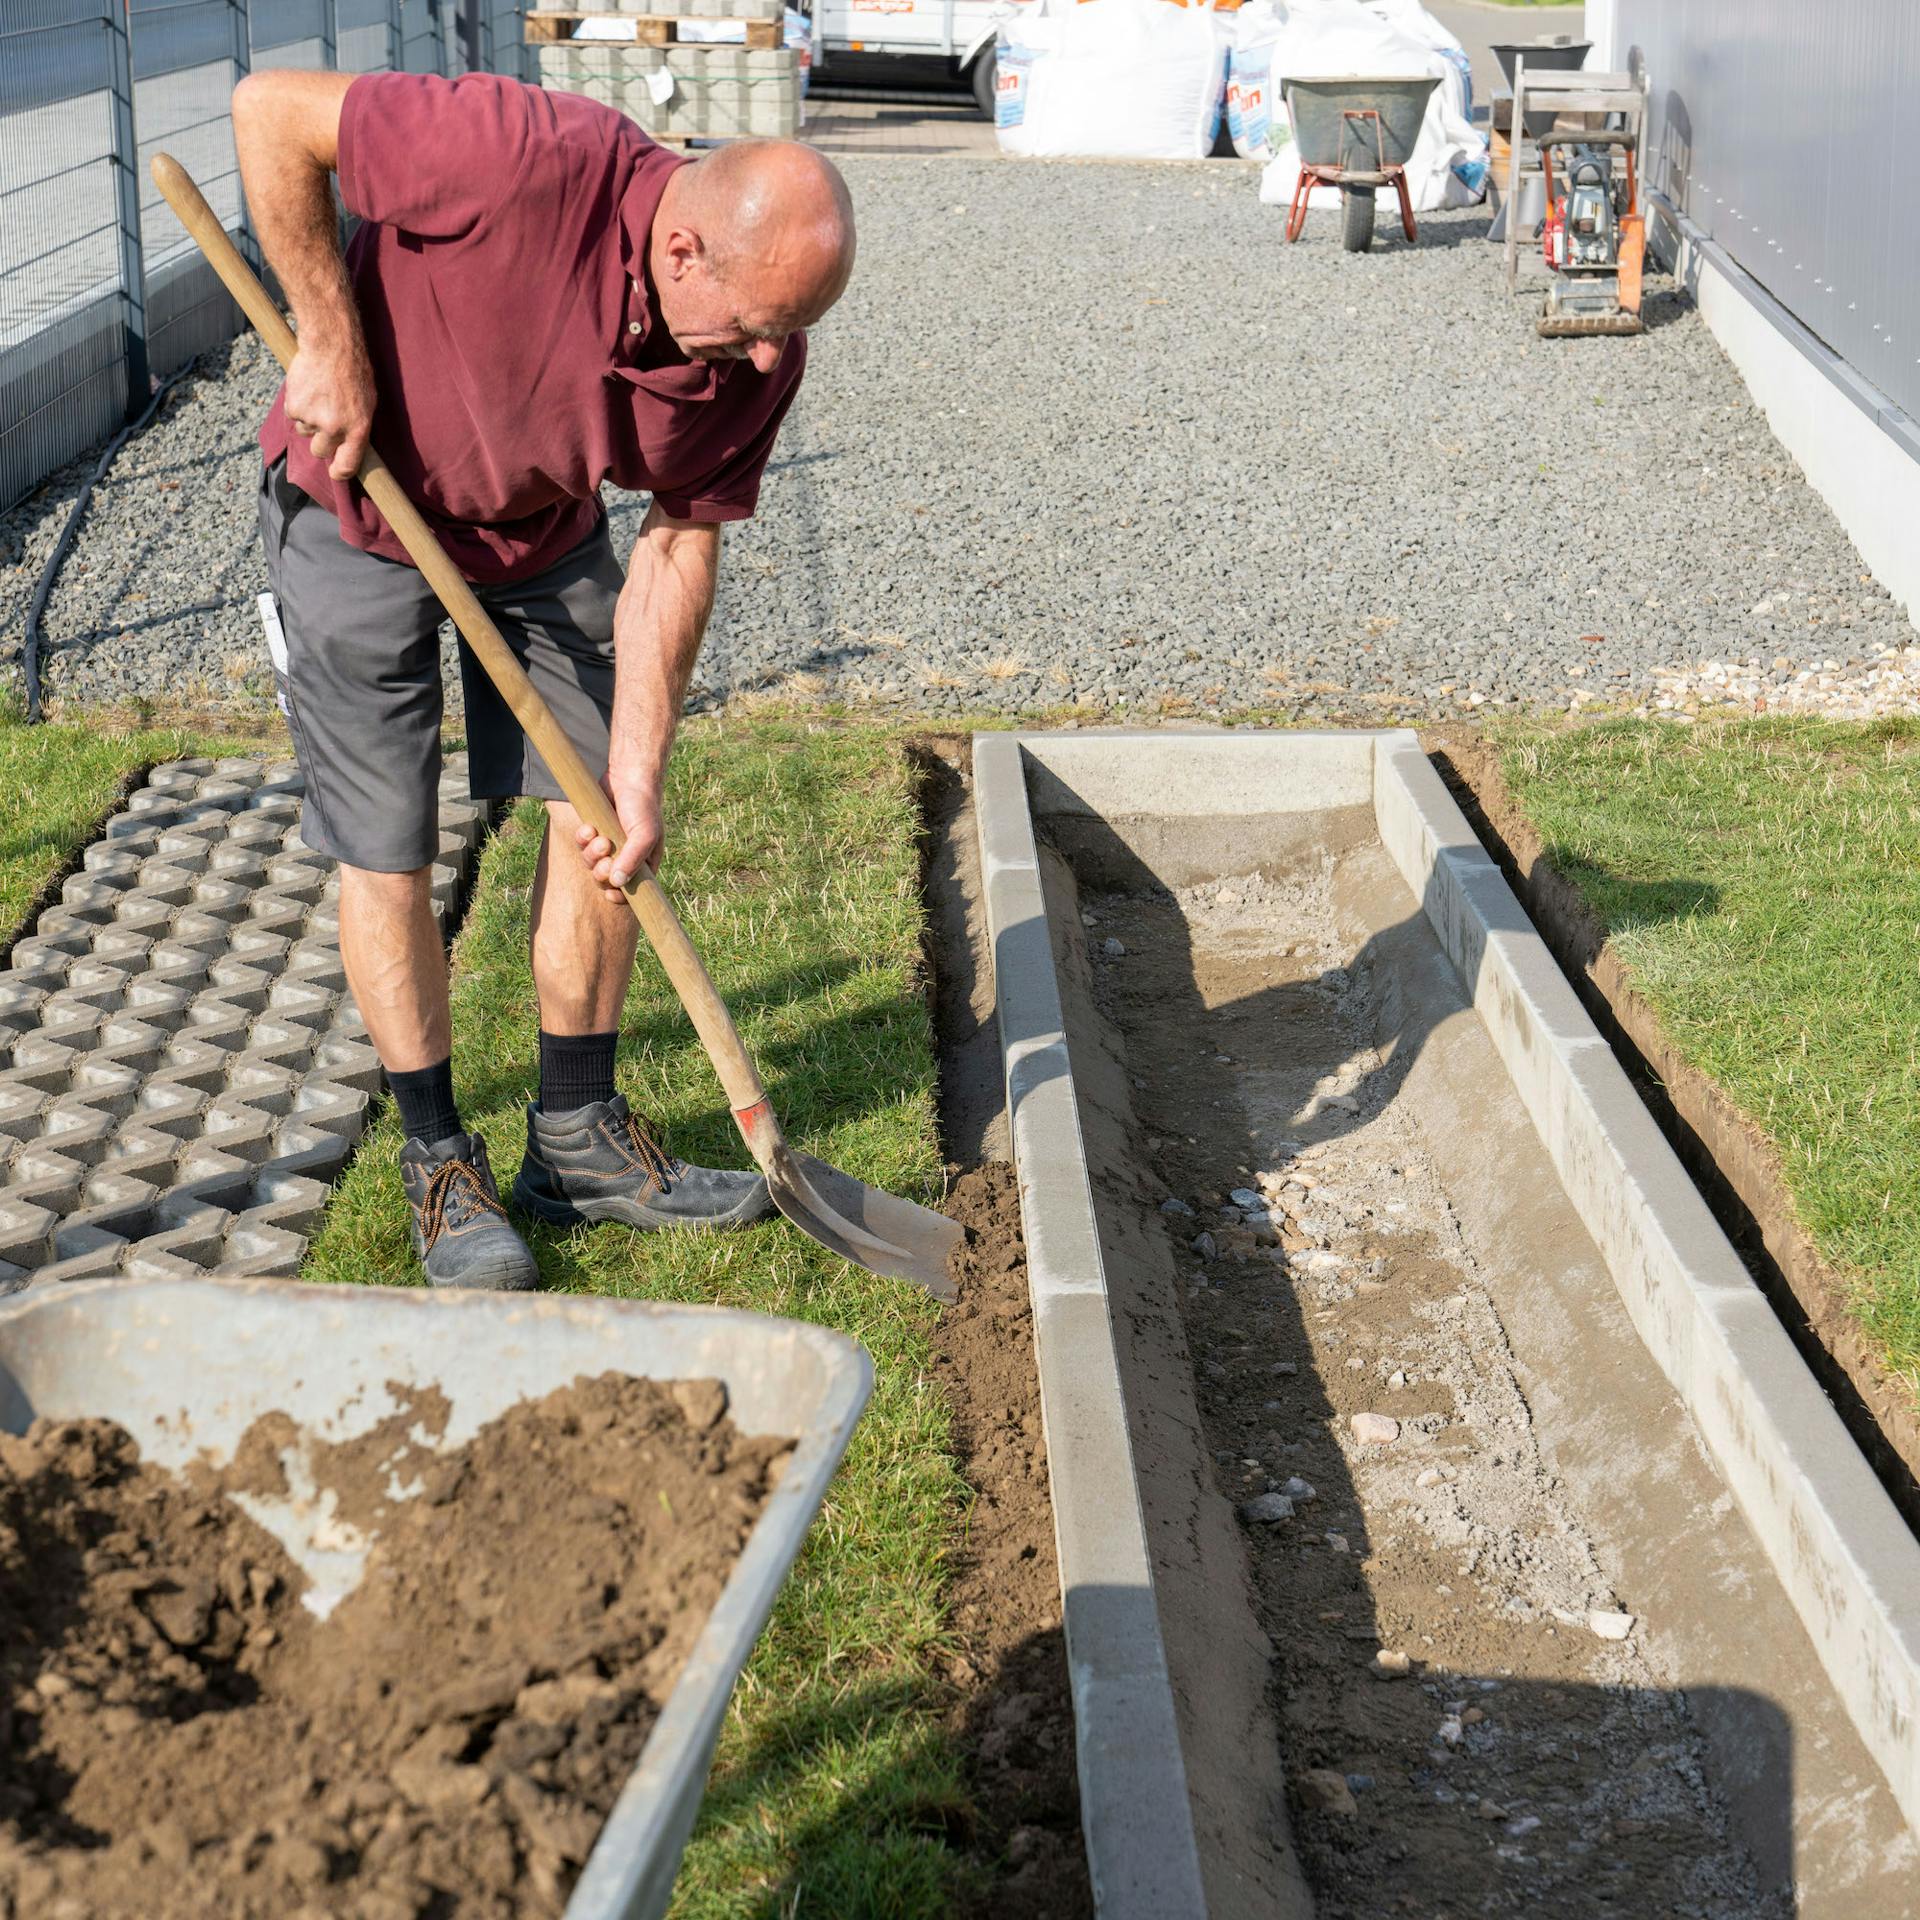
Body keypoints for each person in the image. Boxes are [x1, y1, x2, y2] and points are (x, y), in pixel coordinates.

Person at [231, 68, 854, 1290]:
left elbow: (678, 541)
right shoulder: (518, 155)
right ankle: (437, 1160)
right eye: (753, 323)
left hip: (539, 534)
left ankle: (575, 1140)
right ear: (683, 250)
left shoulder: (757, 359)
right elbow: (273, 113)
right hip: (357, 505)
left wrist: (638, 767)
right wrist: (330, 337)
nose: (769, 354)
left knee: (602, 815)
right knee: (388, 846)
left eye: (789, 329)